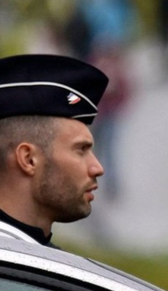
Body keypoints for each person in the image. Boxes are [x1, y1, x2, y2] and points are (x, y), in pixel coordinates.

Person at [0, 54, 108, 248]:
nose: (97, 168)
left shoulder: (33, 260)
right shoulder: (13, 265)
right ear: (29, 159)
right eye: (81, 149)